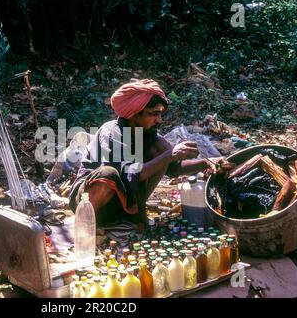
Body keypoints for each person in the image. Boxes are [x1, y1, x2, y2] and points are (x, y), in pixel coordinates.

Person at [69, 79, 226, 229]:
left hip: (121, 204)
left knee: (159, 149)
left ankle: (127, 217)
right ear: (134, 114)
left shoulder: (148, 135)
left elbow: (174, 168)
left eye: (161, 114)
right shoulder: (111, 133)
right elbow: (123, 176)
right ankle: (86, 225)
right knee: (108, 174)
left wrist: (207, 162)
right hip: (88, 200)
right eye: (154, 114)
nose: (159, 120)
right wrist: (170, 154)